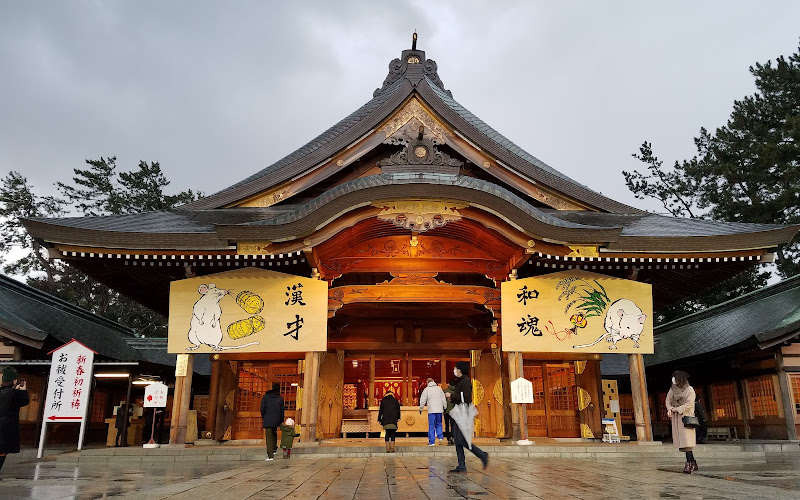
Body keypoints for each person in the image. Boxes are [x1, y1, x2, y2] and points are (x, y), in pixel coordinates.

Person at [447, 361, 489, 473]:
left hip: (463, 412)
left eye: (455, 368)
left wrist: (451, 396)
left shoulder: (465, 382)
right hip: (458, 411)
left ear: (459, 370)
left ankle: (482, 455)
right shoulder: (459, 381)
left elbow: (465, 398)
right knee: (457, 439)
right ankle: (461, 465)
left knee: (461, 439)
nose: (454, 370)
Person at [0, 367, 30, 480]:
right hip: (6, 427)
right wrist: (23, 389)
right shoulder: (14, 393)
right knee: (3, 451)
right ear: (13, 381)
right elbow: (25, 400)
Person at [666, 370, 698, 473]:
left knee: (687, 441)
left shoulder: (690, 390)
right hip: (676, 418)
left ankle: (689, 463)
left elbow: (689, 403)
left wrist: (676, 409)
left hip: (686, 416)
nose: (673, 379)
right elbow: (668, 400)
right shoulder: (672, 389)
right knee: (684, 442)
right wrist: (669, 408)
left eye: (675, 377)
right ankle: (693, 462)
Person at [260, 382, 284, 461]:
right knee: (274, 433)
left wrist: (264, 417)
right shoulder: (280, 398)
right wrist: (281, 420)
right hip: (276, 418)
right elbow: (282, 411)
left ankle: (270, 455)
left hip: (267, 418)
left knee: (269, 436)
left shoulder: (265, 397)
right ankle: (274, 448)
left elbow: (262, 408)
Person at [419, 378, 447, 446]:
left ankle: (432, 442)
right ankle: (440, 437)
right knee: (439, 424)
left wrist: (421, 408)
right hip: (439, 410)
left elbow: (423, 399)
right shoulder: (439, 389)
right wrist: (445, 407)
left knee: (431, 426)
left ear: (427, 382)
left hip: (431, 410)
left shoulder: (427, 390)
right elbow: (443, 398)